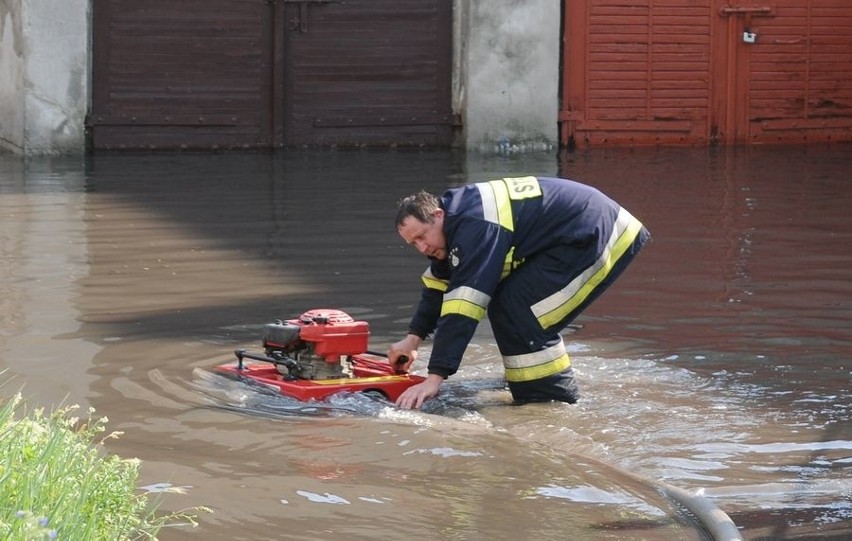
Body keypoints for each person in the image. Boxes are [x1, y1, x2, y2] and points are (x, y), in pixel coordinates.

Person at [388, 176, 650, 410]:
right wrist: (412, 340)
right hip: (575, 233)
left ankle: (550, 405)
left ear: (438, 215)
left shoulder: (475, 225)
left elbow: (464, 304)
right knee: (510, 305)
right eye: (414, 244)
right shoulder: (456, 222)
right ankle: (533, 396)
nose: (422, 248)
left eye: (422, 236)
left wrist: (434, 378)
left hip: (596, 234)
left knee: (521, 311)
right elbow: (439, 286)